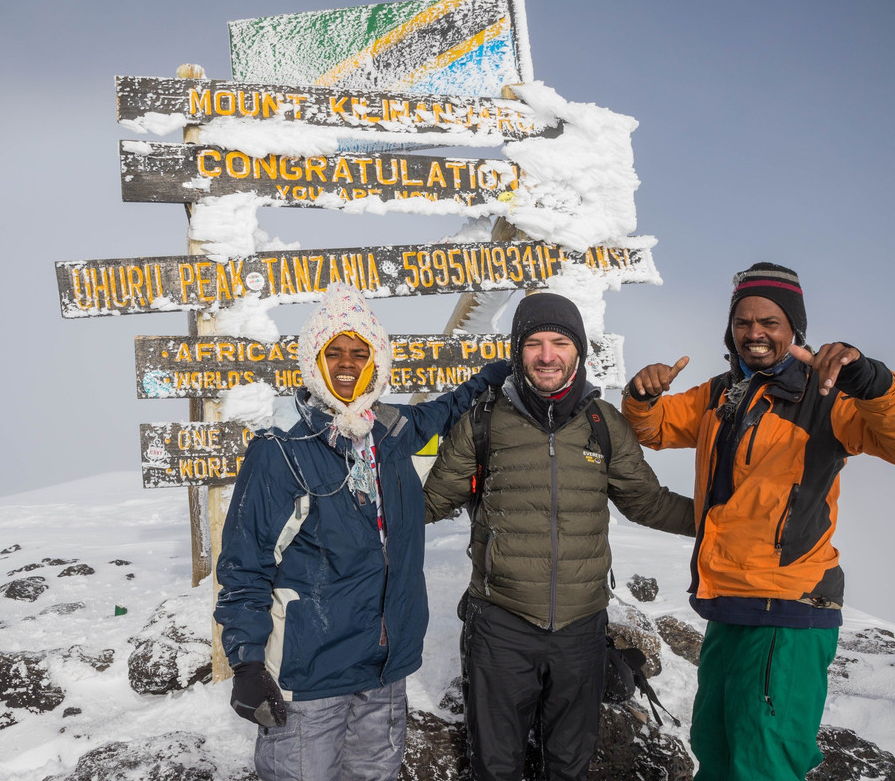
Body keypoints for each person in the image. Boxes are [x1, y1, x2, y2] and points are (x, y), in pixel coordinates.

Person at [213, 282, 509, 781]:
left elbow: (442, 412)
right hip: (311, 675)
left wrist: (485, 381)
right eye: (334, 353)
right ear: (314, 361)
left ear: (375, 361)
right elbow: (245, 562)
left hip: (384, 670)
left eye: (359, 352)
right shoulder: (281, 448)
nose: (347, 364)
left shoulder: (389, 431)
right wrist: (245, 663)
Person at [619, 262, 895, 781]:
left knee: (764, 762)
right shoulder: (723, 391)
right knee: (716, 748)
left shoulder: (828, 395)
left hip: (788, 607)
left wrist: (871, 381)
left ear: (795, 328)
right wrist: (642, 396)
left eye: (770, 321)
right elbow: (655, 428)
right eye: (743, 322)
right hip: (728, 601)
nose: (755, 333)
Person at [422, 292, 695, 781]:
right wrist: (351, 509)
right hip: (500, 625)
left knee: (570, 766)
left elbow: (647, 502)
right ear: (517, 351)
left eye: (560, 343)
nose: (547, 356)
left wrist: (726, 519)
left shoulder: (603, 424)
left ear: (578, 352)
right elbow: (429, 503)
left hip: (581, 629)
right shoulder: (483, 421)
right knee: (495, 767)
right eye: (534, 343)